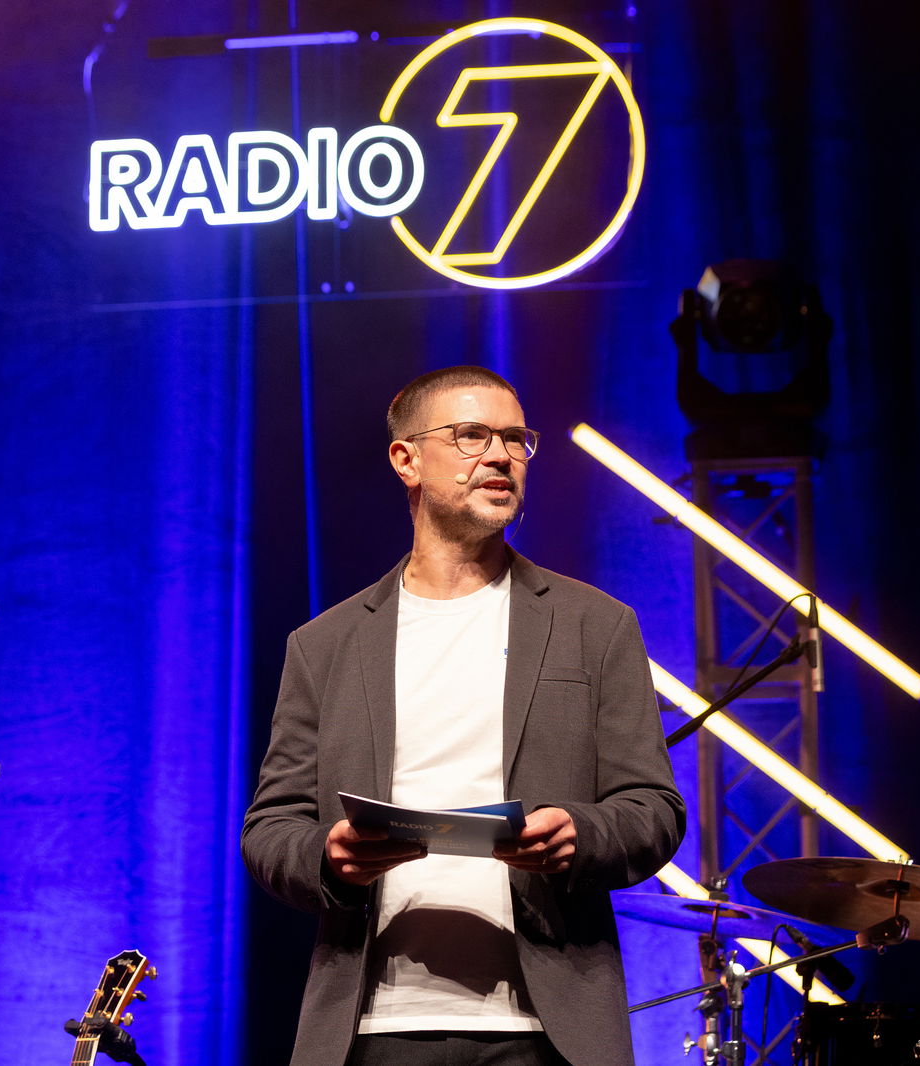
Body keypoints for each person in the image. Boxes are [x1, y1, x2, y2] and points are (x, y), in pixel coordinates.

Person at [242, 366, 685, 1066]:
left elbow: (653, 808)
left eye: (516, 439)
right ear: (407, 459)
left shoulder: (595, 626)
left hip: (546, 1030)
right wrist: (330, 856)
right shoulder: (324, 644)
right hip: (372, 1027)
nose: (502, 456)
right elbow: (271, 828)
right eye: (472, 435)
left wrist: (581, 833)